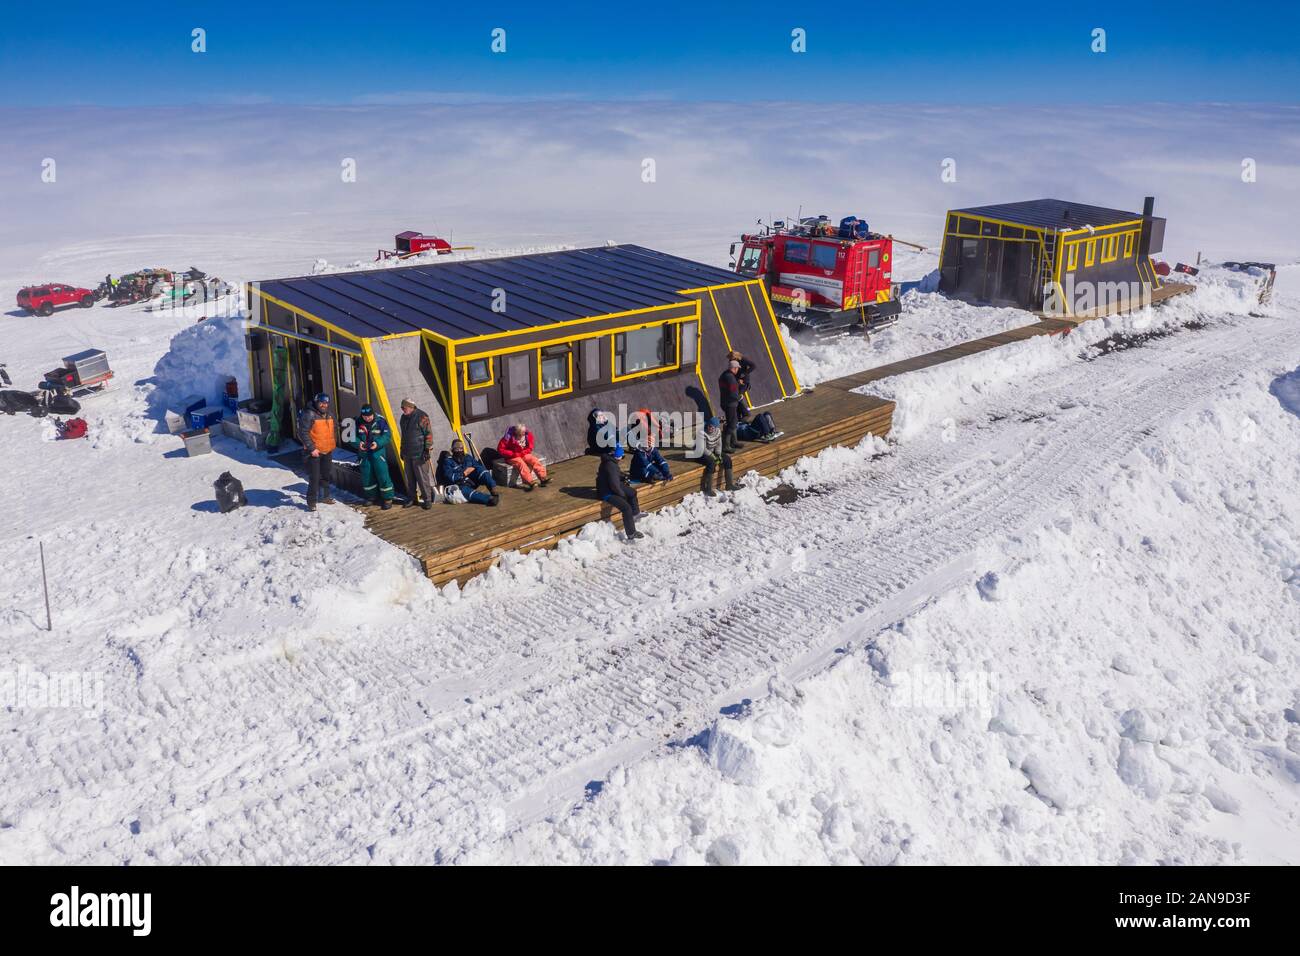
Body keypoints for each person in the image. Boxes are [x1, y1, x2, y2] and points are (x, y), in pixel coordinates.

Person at [297, 392, 337, 511]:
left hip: (327, 450)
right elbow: (302, 432)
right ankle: (311, 501)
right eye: (321, 403)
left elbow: (334, 428)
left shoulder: (329, 414)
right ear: (316, 402)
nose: (324, 405)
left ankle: (325, 496)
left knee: (325, 475)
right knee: (314, 478)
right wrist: (311, 448)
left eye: (326, 403)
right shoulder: (309, 414)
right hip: (314, 452)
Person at [596, 445, 644, 541]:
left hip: (611, 485)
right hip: (607, 492)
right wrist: (622, 495)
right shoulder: (610, 465)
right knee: (626, 508)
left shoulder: (611, 462)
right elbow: (614, 486)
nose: (622, 458)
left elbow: (614, 476)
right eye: (622, 456)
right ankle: (631, 533)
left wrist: (623, 476)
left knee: (632, 492)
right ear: (617, 456)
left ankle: (635, 513)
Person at [354, 403, 395, 510]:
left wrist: (377, 443)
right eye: (365, 416)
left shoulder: (381, 421)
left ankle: (388, 498)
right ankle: (371, 497)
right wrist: (359, 444)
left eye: (369, 416)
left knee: (383, 475)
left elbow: (387, 436)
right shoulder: (357, 422)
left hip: (378, 454)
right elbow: (351, 437)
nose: (367, 418)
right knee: (367, 476)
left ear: (373, 414)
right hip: (364, 455)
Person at [398, 398, 436, 509]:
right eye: (402, 408)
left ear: (410, 407)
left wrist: (427, 449)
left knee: (422, 478)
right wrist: (402, 449)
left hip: (419, 453)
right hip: (407, 452)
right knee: (409, 478)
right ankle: (412, 498)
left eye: (404, 408)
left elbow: (428, 434)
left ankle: (427, 499)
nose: (403, 410)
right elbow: (404, 436)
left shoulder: (422, 417)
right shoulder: (403, 418)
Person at [438, 439, 499, 505]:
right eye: (456, 449)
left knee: (482, 470)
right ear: (452, 450)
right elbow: (449, 477)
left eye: (461, 448)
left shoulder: (468, 457)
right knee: (466, 491)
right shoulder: (448, 462)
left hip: (472, 481)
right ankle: (488, 499)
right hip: (461, 485)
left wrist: (473, 469)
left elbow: (478, 466)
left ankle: (493, 489)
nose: (459, 451)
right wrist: (463, 474)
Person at [496, 422, 549, 490]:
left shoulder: (528, 435)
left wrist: (524, 452)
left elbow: (530, 447)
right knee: (521, 463)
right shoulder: (507, 437)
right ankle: (530, 482)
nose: (523, 434)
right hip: (512, 456)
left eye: (524, 432)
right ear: (516, 432)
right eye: (521, 433)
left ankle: (543, 478)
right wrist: (513, 454)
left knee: (534, 460)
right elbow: (500, 449)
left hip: (523, 453)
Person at [699, 416, 736, 498]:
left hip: (712, 451)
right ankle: (708, 489)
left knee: (727, 459)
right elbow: (702, 449)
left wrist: (718, 454)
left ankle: (729, 484)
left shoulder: (718, 431)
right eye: (709, 426)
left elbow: (719, 444)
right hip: (700, 453)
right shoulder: (702, 433)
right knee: (711, 462)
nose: (710, 428)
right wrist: (712, 456)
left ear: (715, 427)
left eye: (712, 427)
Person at [719, 358, 744, 452]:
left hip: (725, 402)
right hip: (730, 403)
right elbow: (733, 392)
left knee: (733, 421)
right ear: (734, 368)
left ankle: (734, 442)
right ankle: (726, 445)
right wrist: (739, 397)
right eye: (737, 368)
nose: (738, 370)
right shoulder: (731, 378)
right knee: (732, 423)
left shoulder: (724, 375)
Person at [728, 350, 756, 415]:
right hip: (737, 381)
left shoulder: (743, 360)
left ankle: (745, 413)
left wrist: (744, 373)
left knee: (737, 397)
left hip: (744, 382)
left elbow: (753, 366)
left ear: (735, 357)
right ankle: (739, 415)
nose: (730, 360)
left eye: (731, 358)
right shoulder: (731, 361)